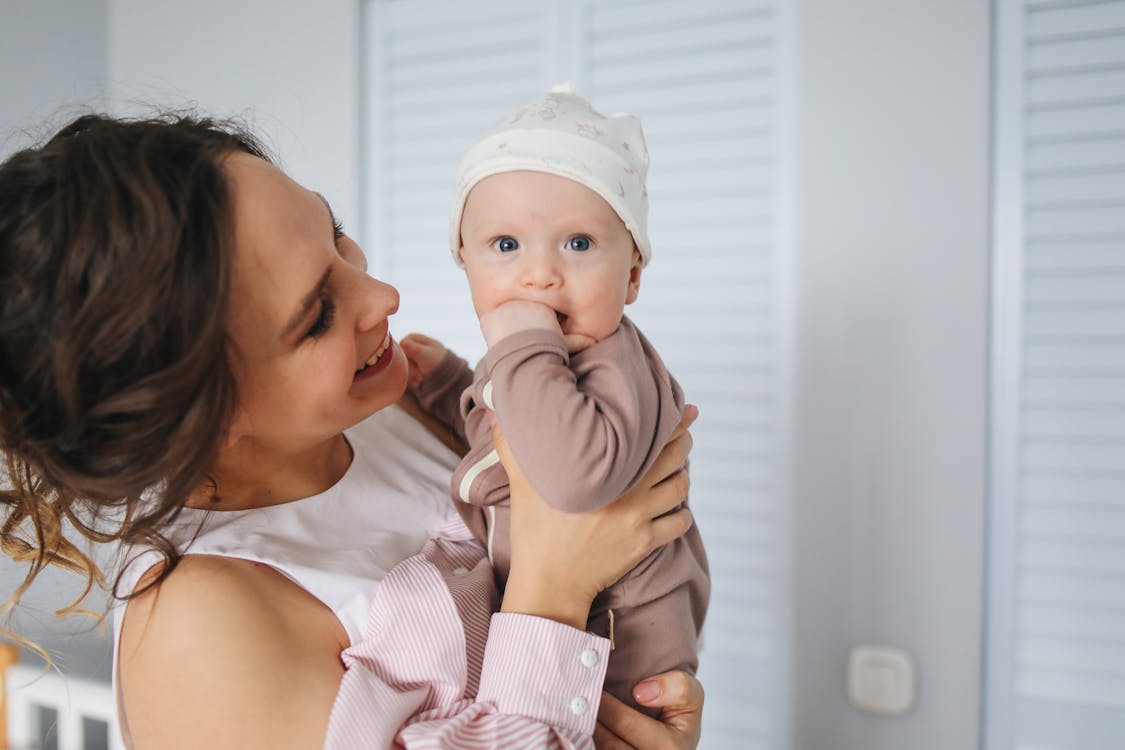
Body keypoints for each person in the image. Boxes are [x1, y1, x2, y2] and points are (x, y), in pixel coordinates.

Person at [0, 112, 705, 748]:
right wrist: (554, 584)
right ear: (199, 416)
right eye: (316, 315)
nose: (383, 297)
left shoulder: (401, 405)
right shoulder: (203, 626)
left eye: (336, 235)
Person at [400, 85, 710, 716]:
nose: (539, 274)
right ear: (464, 261)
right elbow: (513, 440)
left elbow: (568, 477)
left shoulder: (608, 359)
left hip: (621, 649)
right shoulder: (540, 360)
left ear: (631, 276)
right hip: (561, 631)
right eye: (506, 246)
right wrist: (447, 386)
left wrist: (518, 345)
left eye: (578, 244)